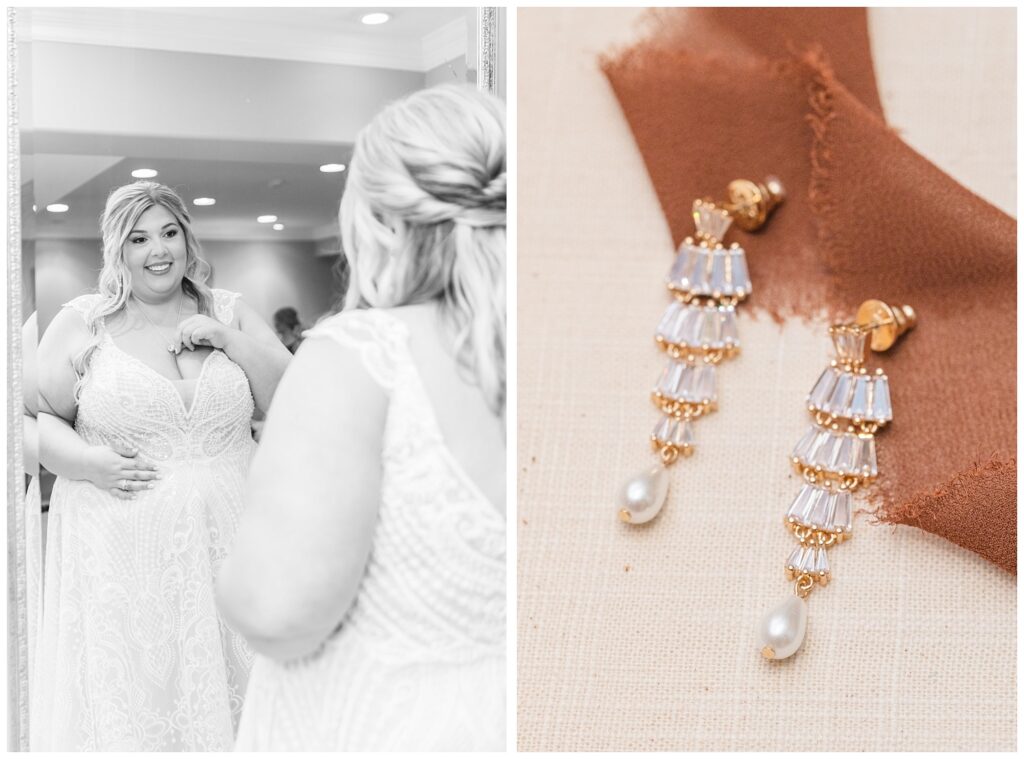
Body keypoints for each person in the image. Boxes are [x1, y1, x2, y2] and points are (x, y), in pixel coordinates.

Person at [216, 84, 507, 751]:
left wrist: (225, 562)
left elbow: (276, 608)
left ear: (376, 221)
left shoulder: (361, 356)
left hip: (378, 722)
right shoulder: (569, 350)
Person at [31, 181, 292, 751]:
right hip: (126, 561)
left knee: (247, 700)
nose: (159, 250)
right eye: (139, 237)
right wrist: (82, 461)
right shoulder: (85, 324)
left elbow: (292, 402)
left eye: (170, 233)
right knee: (149, 702)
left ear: (187, 238)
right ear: (117, 250)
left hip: (235, 544)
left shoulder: (230, 311)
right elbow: (27, 422)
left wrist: (229, 340)